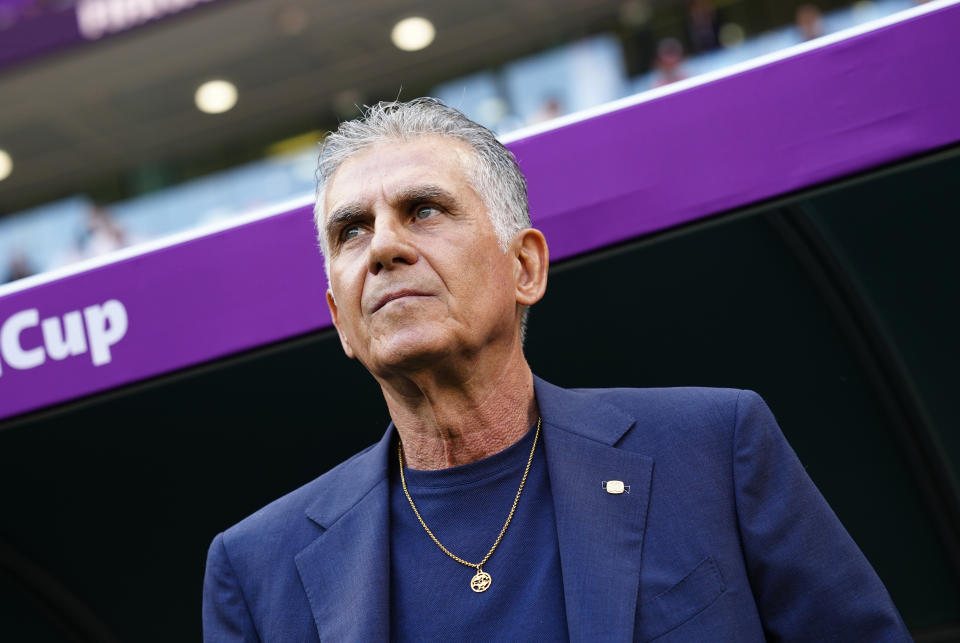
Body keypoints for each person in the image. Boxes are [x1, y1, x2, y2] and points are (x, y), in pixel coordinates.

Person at [202, 98, 910, 641]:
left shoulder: (714, 447)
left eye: (423, 209)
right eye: (351, 229)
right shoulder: (256, 569)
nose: (384, 246)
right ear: (339, 318)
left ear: (525, 266)